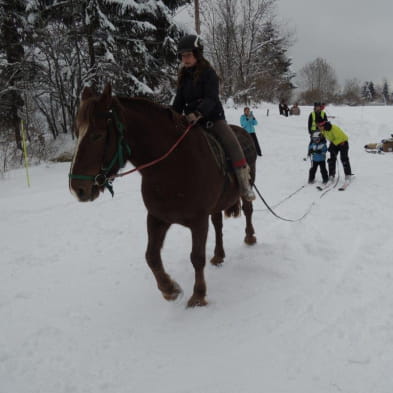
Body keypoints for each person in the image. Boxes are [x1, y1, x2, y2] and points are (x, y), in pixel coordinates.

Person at [172, 35, 255, 201]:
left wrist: (198, 113)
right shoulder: (183, 76)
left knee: (233, 144)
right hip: (189, 121)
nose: (185, 59)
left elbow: (211, 98)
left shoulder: (209, 74)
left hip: (212, 119)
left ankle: (244, 184)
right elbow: (179, 101)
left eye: (188, 55)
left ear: (197, 54)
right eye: (182, 56)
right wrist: (170, 116)